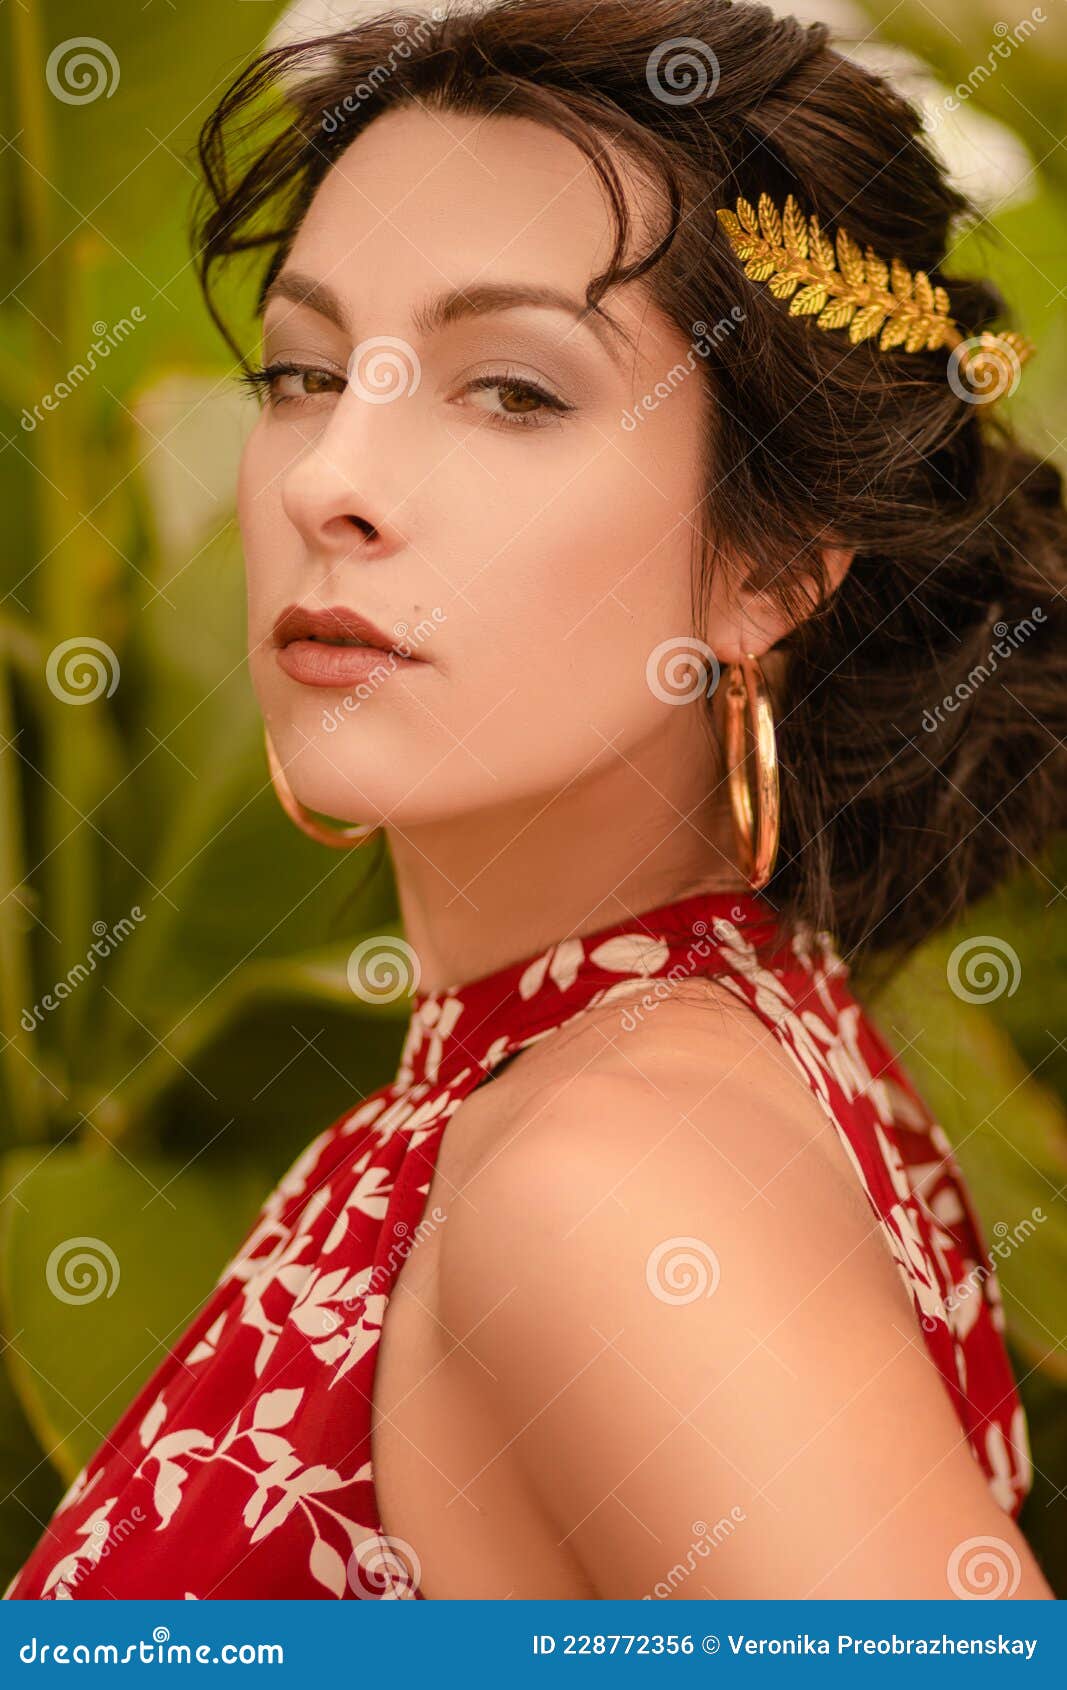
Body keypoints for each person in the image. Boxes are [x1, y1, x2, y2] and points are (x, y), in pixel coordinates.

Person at [6, 0, 1063, 1600]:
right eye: (302, 371)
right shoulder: (649, 1060)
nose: (322, 476)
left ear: (773, 561)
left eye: (512, 390)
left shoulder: (608, 1192)